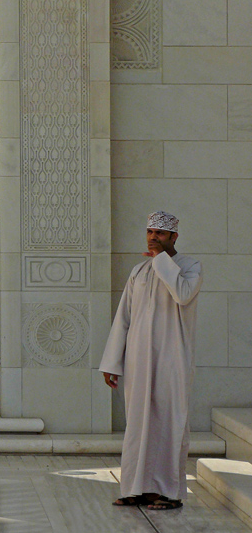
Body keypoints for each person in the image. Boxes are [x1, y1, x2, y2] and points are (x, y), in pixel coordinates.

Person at [99, 211, 203, 512]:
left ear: (174, 238)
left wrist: (160, 259)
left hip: (173, 359)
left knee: (170, 423)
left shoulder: (189, 268)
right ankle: (136, 488)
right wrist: (112, 361)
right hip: (137, 361)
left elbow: (182, 295)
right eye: (150, 232)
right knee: (138, 425)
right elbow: (124, 318)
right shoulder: (139, 271)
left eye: (160, 233)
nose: (153, 238)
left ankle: (168, 492)